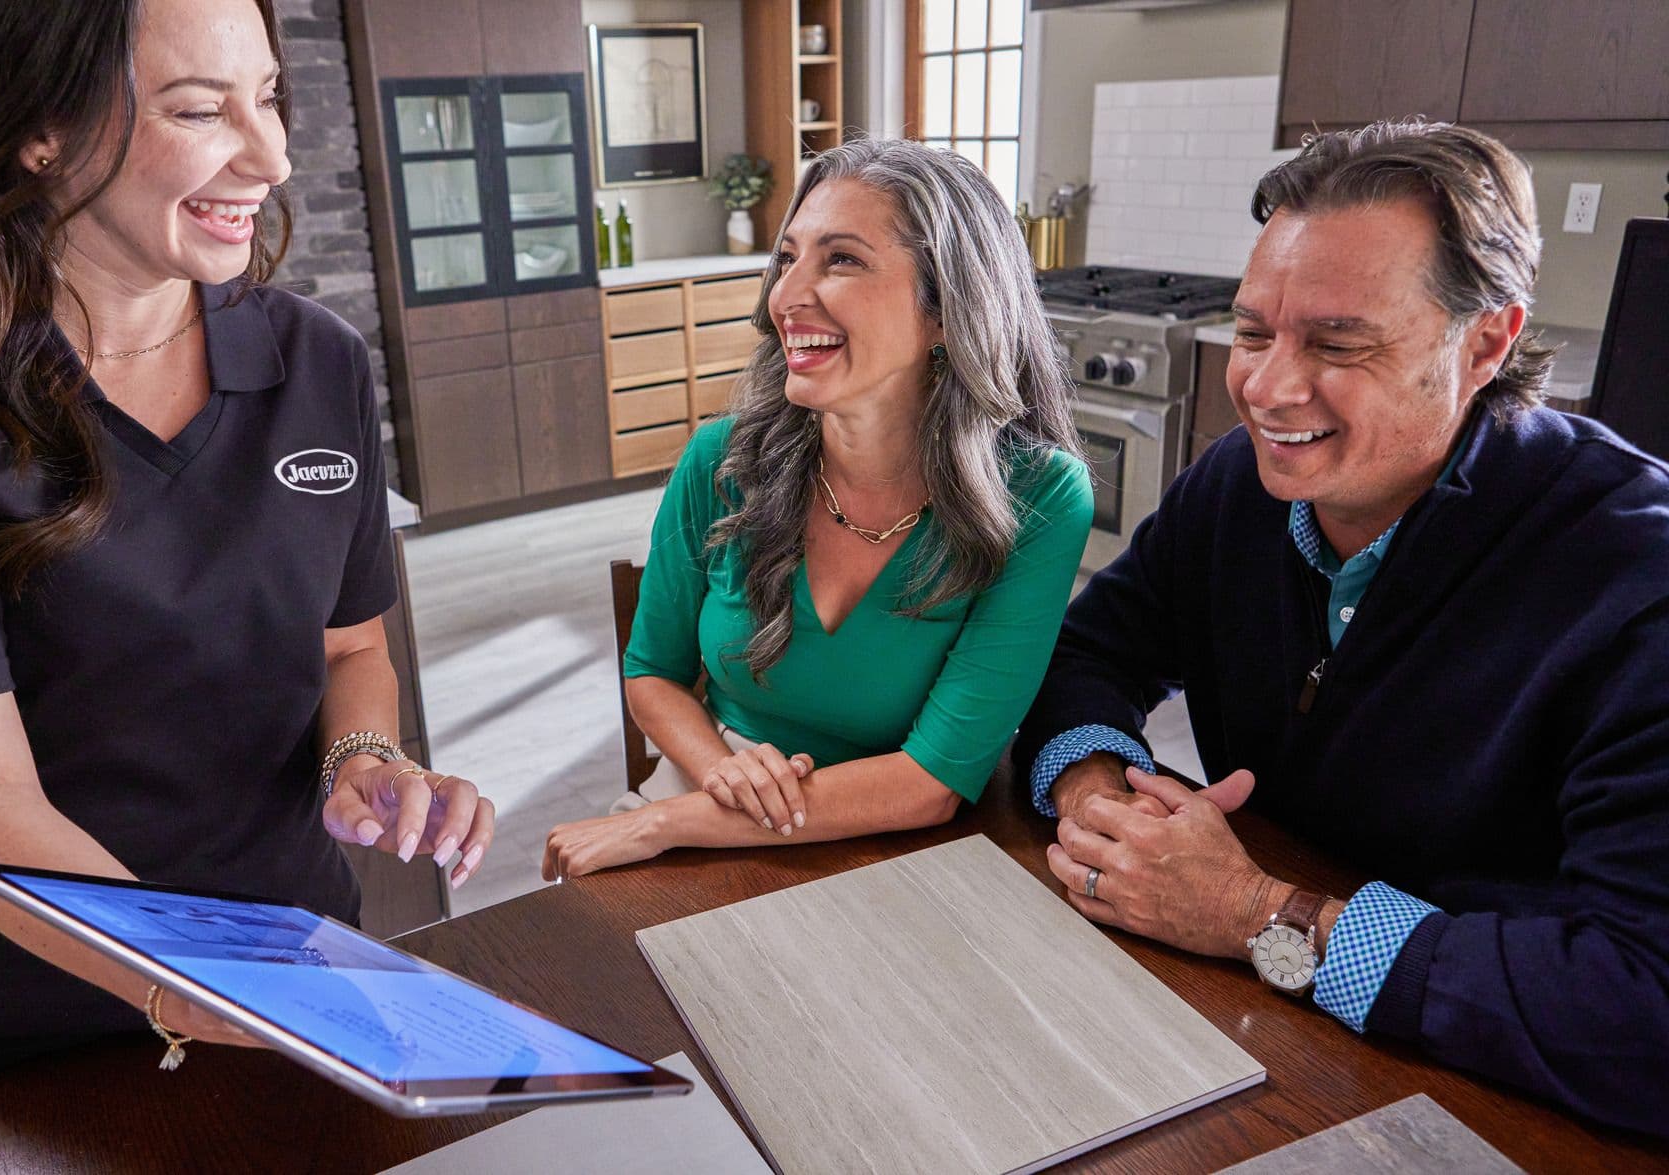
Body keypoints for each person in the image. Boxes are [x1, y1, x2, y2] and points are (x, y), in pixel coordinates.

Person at [0, 0, 494, 1114]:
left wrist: (367, 757)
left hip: (292, 966)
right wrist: (196, 987)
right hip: (32, 1027)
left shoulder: (314, 359)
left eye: (267, 97)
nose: (270, 154)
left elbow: (351, 642)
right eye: (197, 108)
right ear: (41, 125)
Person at [1016, 120, 1669, 1136]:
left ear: (1488, 340)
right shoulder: (1236, 486)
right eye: (1251, 332)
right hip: (1264, 1044)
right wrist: (1095, 793)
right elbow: (1089, 648)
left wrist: (1256, 916)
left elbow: (1643, 1009)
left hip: (1498, 1105)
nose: (1268, 389)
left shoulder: (1637, 580)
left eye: (1338, 343)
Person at [543, 139, 1092, 881]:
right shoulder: (718, 460)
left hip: (901, 840)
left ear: (945, 309)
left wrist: (666, 821)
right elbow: (651, 672)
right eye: (789, 257)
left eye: (841, 260)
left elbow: (929, 783)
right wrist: (719, 774)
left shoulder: (1043, 497)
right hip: (716, 792)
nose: (785, 296)